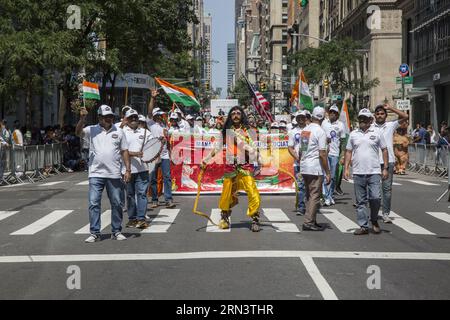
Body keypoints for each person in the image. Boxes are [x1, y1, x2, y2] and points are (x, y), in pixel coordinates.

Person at [76, 105, 131, 243]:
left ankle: (116, 231)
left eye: (111, 117)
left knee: (117, 203)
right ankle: (95, 233)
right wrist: (82, 119)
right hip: (96, 173)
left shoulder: (119, 131)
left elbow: (124, 151)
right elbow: (78, 132)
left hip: (113, 173)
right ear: (99, 118)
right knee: (94, 203)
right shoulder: (92, 130)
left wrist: (128, 170)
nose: (109, 119)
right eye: (106, 117)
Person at [201, 106, 262, 232]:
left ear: (242, 115)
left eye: (238, 113)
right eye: (233, 113)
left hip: (245, 166)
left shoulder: (249, 131)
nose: (235, 115)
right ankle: (224, 217)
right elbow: (217, 148)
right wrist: (206, 160)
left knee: (252, 191)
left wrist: (258, 161)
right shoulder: (226, 131)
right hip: (230, 166)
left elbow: (255, 150)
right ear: (230, 116)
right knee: (226, 193)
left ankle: (255, 218)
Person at [344, 108, 389, 235]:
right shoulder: (353, 134)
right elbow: (348, 151)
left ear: (371, 120)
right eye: (360, 118)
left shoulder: (377, 132)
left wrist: (385, 168)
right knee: (360, 201)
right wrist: (347, 168)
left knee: (376, 197)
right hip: (358, 172)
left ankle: (374, 219)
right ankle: (363, 226)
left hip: (374, 171)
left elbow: (384, 150)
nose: (362, 120)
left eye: (365, 118)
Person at [373, 103, 409, 223]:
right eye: (377, 113)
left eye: (382, 113)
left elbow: (405, 116)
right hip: (373, 162)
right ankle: (374, 212)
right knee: (374, 191)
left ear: (386, 115)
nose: (380, 115)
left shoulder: (390, 125)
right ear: (374, 115)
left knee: (387, 190)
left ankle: (386, 213)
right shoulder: (371, 126)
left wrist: (390, 108)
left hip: (389, 162)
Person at [298, 107, 331, 231]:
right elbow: (322, 154)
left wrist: (301, 164)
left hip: (305, 166)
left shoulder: (306, 130)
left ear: (312, 117)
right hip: (315, 168)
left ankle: (312, 219)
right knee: (315, 195)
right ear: (322, 118)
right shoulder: (320, 131)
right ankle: (309, 222)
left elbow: (302, 150)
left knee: (309, 195)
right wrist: (327, 172)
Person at [121, 109, 153, 229]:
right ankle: (132, 219)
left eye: (135, 117)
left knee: (142, 194)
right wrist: (135, 154)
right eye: (131, 117)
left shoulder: (145, 132)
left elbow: (152, 147)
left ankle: (141, 219)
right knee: (129, 195)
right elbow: (119, 150)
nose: (133, 119)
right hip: (126, 170)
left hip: (143, 169)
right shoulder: (121, 132)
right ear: (126, 119)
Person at [147, 90, 176, 209]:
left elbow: (167, 141)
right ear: (154, 116)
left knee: (167, 177)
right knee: (153, 178)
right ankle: (155, 199)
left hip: (164, 155)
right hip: (153, 155)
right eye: (158, 115)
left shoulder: (165, 126)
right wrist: (153, 98)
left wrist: (170, 154)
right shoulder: (151, 124)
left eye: (161, 114)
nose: (160, 116)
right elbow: (149, 112)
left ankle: (168, 199)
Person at [321, 105, 346, 206]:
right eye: (330, 112)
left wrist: (343, 155)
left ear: (337, 114)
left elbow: (343, 141)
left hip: (335, 154)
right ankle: (326, 196)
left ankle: (330, 195)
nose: (332, 114)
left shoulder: (341, 125)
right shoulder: (324, 123)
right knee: (325, 175)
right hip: (324, 153)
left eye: (334, 112)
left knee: (333, 177)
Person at [288, 111, 308, 215]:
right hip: (298, 164)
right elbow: (290, 147)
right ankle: (301, 207)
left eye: (302, 117)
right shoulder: (292, 132)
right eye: (299, 117)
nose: (300, 119)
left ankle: (310, 205)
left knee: (309, 186)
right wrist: (297, 158)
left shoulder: (310, 130)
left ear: (306, 118)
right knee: (300, 186)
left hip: (310, 164)